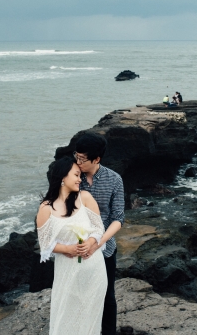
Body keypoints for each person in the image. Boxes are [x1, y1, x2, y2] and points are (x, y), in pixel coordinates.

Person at [36, 156, 107, 335]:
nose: (79, 179)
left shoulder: (85, 198)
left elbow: (99, 229)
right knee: (66, 316)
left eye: (80, 176)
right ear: (62, 177)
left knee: (90, 320)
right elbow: (45, 245)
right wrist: (67, 249)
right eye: (76, 175)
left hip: (94, 270)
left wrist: (90, 243)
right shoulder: (46, 208)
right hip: (67, 272)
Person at [73, 133, 124, 335]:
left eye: (82, 159)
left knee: (107, 296)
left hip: (105, 248)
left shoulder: (114, 179)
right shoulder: (72, 176)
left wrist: (99, 242)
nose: (78, 162)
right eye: (76, 156)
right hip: (76, 247)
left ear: (97, 159)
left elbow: (118, 217)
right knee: (78, 295)